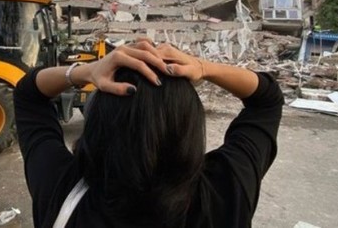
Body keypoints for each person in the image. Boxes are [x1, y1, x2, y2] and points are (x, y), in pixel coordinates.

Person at [14, 40, 283, 227]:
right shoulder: (227, 189)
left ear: (97, 122)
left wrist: (88, 71)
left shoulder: (61, 189)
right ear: (189, 125)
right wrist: (203, 67)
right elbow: (267, 98)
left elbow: (28, 94)